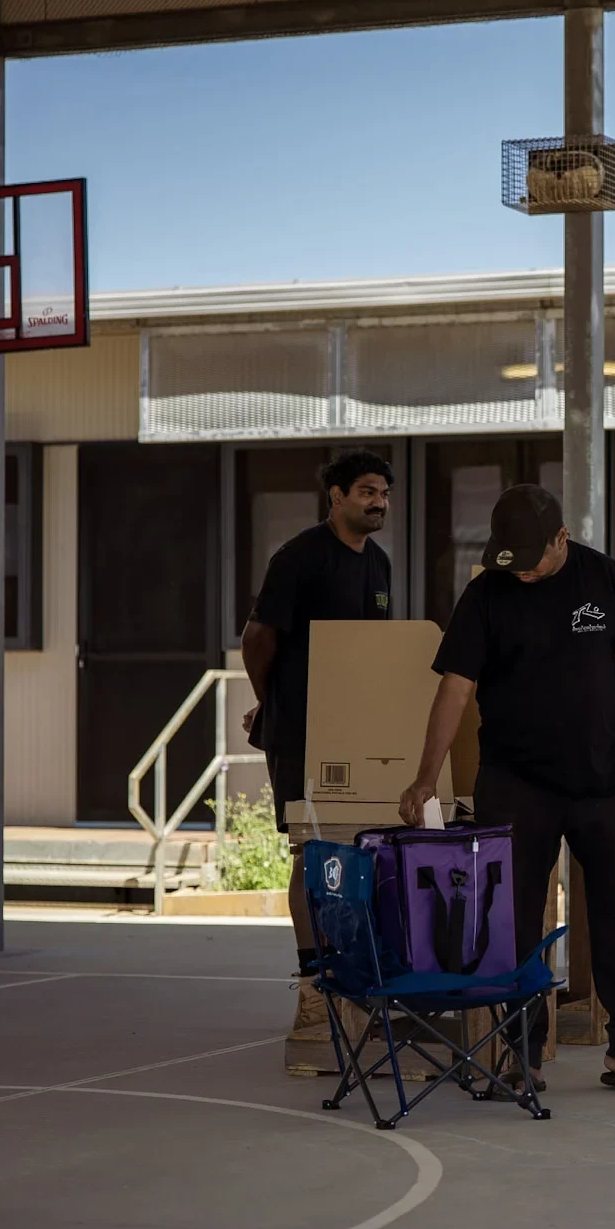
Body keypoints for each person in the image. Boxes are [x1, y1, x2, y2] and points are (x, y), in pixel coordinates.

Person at [397, 484, 615, 1099]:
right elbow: (455, 687)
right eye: (509, 557)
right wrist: (426, 774)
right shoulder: (485, 593)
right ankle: (522, 1055)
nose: (521, 570)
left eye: (531, 556)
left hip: (602, 779)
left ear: (562, 538)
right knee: (517, 923)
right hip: (515, 782)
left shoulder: (604, 577)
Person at [238, 448, 394, 1069]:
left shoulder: (379, 564)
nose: (377, 501)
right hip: (302, 736)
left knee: (360, 852)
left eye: (382, 492)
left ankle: (354, 984)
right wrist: (270, 703)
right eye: (365, 491)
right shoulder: (298, 557)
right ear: (335, 495)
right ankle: (313, 990)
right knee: (313, 851)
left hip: (361, 738)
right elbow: (258, 638)